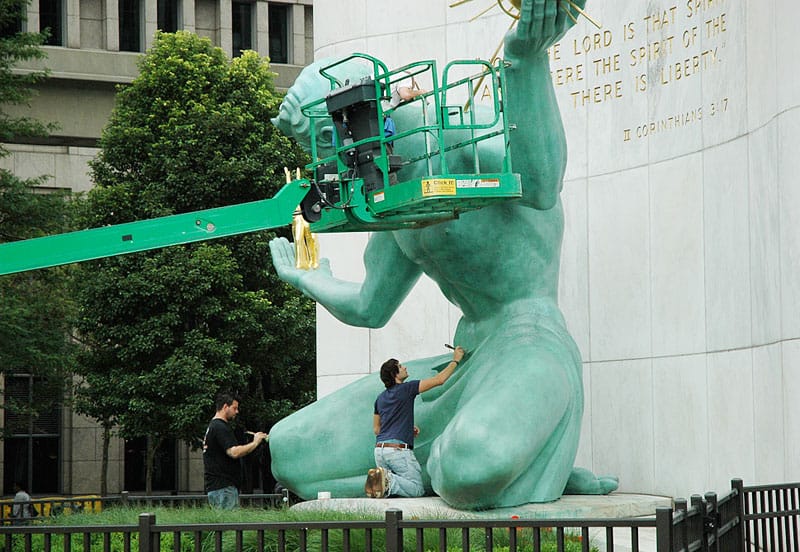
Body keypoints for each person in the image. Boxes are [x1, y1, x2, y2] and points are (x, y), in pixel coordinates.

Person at [268, 0, 617, 510]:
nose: (327, 168)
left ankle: (514, 460)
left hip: (531, 344)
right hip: (461, 362)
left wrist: (525, 60)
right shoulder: (392, 198)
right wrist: (306, 278)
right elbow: (370, 306)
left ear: (348, 125)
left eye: (323, 147)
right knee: (289, 450)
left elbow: (542, 184)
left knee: (469, 464)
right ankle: (491, 463)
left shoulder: (459, 133)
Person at [366, 346, 465, 498]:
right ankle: (389, 480)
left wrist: (405, 428)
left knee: (390, 493)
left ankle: (384, 480)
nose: (404, 367)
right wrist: (456, 360)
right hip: (397, 451)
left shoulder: (380, 398)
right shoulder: (407, 388)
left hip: (380, 451)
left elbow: (377, 429)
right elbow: (439, 380)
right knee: (416, 489)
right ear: (395, 374)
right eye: (400, 366)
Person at [203, 392, 268, 509]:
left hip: (217, 487)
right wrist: (255, 442)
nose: (237, 412)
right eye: (235, 408)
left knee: (222, 526)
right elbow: (234, 452)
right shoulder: (220, 427)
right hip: (224, 488)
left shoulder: (213, 426)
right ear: (225, 407)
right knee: (229, 525)